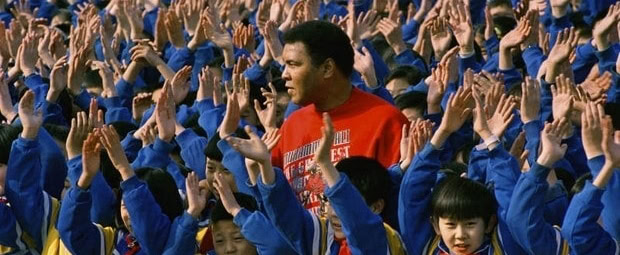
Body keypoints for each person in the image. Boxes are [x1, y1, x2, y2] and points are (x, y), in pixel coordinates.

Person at [270, 20, 408, 213]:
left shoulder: (386, 120)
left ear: (327, 68)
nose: (284, 74)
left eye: (293, 64)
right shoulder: (292, 125)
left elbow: (398, 207)